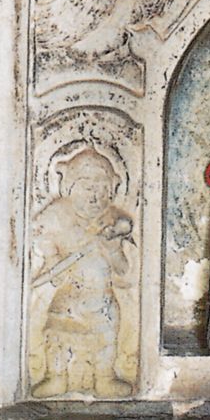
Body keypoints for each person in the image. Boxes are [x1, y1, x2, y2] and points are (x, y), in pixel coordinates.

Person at [30, 148, 134, 398]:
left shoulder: (111, 220)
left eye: (101, 188)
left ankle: (105, 378)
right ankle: (56, 377)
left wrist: (111, 246)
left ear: (111, 189)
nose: (94, 195)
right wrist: (54, 259)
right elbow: (40, 234)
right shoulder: (58, 214)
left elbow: (122, 269)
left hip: (102, 297)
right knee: (57, 335)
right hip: (69, 295)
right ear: (70, 187)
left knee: (106, 338)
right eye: (87, 187)